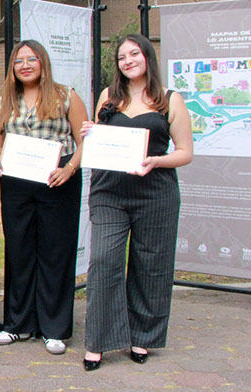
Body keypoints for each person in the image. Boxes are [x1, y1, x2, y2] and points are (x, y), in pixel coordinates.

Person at [80, 34, 193, 371]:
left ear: (147, 56)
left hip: (155, 192)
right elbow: (100, 141)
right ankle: (98, 342)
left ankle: (142, 335)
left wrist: (157, 161)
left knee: (151, 264)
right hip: (109, 191)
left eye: (134, 54)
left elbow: (185, 152)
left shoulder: (169, 100)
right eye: (121, 57)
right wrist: (90, 132)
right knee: (104, 261)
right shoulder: (108, 96)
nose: (127, 61)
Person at [0, 40, 88, 355]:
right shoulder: (6, 98)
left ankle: (54, 328)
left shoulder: (66, 95)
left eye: (31, 59)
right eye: (19, 61)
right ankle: (18, 324)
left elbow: (85, 140)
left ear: (43, 62)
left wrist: (69, 169)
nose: (25, 65)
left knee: (55, 253)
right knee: (19, 252)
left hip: (57, 182)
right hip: (17, 184)